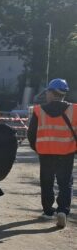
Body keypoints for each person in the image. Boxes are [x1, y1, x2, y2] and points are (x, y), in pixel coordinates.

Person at [27, 78, 75, 228]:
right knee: (65, 183)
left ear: (50, 92)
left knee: (47, 181)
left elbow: (31, 134)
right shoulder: (75, 110)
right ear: (63, 94)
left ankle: (48, 211)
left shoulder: (38, 110)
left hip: (46, 152)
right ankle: (62, 211)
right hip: (67, 152)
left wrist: (39, 148)